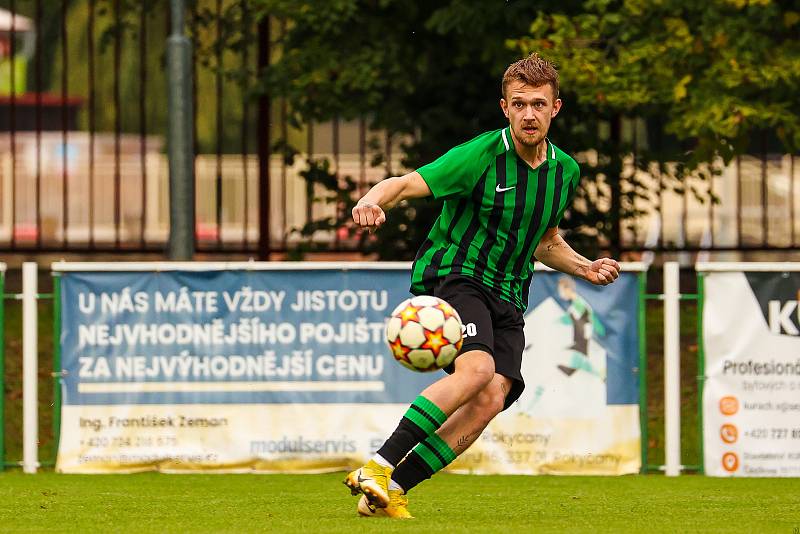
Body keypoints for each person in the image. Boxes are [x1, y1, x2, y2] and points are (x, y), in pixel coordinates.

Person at [346, 52, 621, 518]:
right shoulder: (480, 156)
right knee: (473, 374)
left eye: (538, 104)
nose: (528, 114)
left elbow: (544, 240)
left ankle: (391, 491)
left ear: (556, 108)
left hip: (510, 292)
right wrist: (372, 200)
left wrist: (584, 267)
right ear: (504, 107)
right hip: (457, 274)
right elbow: (404, 183)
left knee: (492, 393)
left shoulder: (565, 172)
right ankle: (379, 465)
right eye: (519, 104)